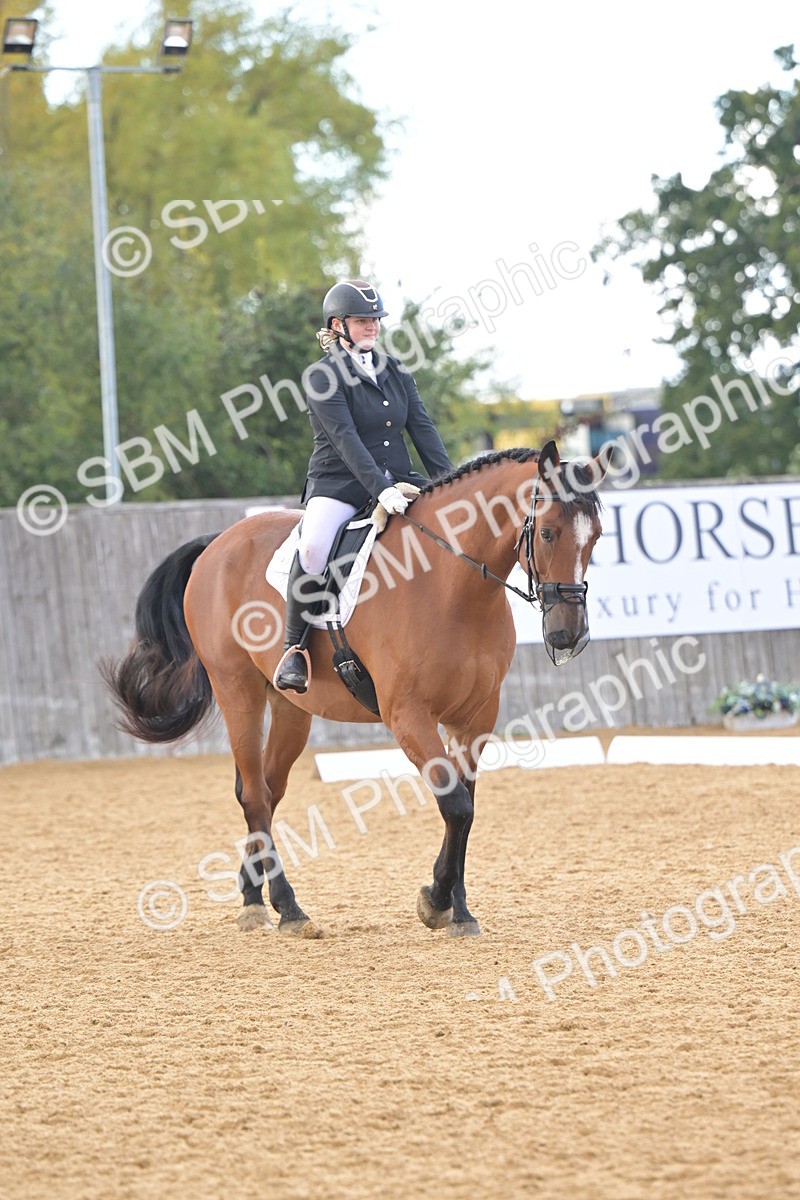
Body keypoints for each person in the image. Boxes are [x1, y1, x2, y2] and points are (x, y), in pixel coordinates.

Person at [276, 278, 455, 693]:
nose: (372, 326)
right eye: (362, 320)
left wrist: (451, 485)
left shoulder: (396, 370)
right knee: (314, 546)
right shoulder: (321, 376)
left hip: (399, 478)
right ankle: (294, 650)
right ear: (337, 325)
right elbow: (346, 440)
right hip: (338, 484)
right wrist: (382, 489)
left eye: (375, 319)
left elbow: (423, 430)